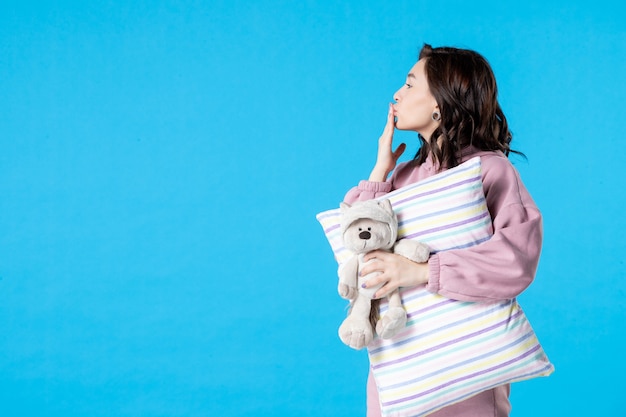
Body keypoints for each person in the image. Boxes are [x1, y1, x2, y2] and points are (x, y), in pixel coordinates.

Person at [343, 44, 543, 417]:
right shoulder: (401, 177)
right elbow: (352, 238)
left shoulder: (490, 171)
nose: (396, 94)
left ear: (440, 103)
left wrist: (421, 271)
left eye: (409, 84)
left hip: (464, 371)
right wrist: (379, 171)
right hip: (399, 370)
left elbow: (517, 259)